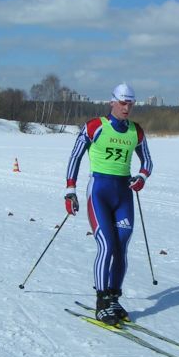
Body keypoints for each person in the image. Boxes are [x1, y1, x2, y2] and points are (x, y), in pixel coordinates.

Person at [64, 83, 153, 326]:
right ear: (112, 102)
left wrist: (142, 177)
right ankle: (101, 301)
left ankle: (113, 297)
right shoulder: (95, 127)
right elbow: (75, 156)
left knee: (121, 246)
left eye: (130, 104)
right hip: (99, 192)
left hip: (123, 194)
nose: (126, 108)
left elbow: (148, 162)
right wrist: (70, 191)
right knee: (107, 244)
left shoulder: (136, 131)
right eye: (122, 103)